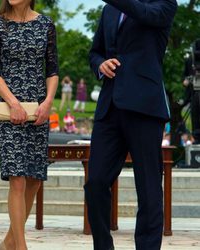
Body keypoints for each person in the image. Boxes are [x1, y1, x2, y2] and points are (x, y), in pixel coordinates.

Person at [84, 1, 178, 250]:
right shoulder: (109, 10)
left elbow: (142, 13)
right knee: (95, 183)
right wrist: (100, 65)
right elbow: (95, 52)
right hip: (109, 108)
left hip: (145, 107)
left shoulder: (164, 4)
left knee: (148, 187)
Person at [0, 0, 59, 249]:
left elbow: (52, 70)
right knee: (17, 178)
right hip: (9, 109)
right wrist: (13, 102)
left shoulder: (46, 24)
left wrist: (48, 102)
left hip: (38, 110)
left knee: (35, 179)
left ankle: (8, 242)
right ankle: (21, 246)